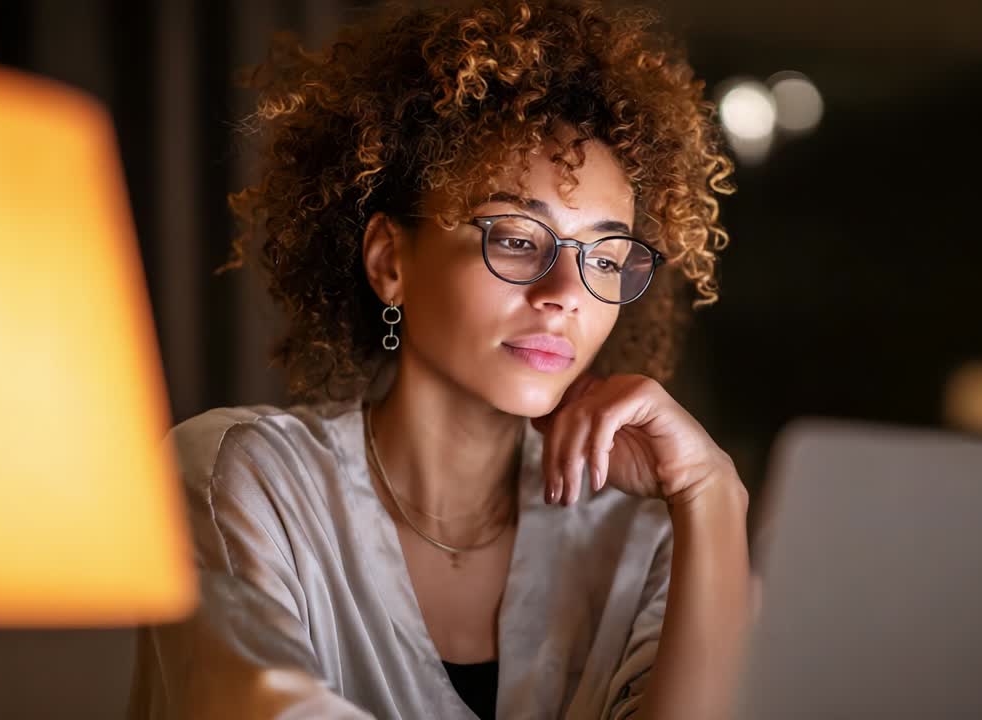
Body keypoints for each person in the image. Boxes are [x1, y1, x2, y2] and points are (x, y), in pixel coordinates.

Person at [128, 1, 748, 717]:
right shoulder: (238, 477)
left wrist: (713, 495)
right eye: (516, 238)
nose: (567, 293)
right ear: (391, 260)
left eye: (606, 257)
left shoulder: (640, 536)